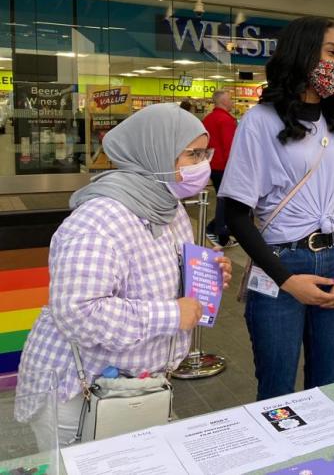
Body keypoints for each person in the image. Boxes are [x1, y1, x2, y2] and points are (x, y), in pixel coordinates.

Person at [14, 103, 233, 447]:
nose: (203, 165)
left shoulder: (167, 207)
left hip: (135, 387)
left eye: (206, 153)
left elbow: (161, 275)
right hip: (79, 393)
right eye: (193, 154)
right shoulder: (99, 220)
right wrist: (172, 314)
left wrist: (205, 274)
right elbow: (78, 312)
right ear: (154, 151)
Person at [221, 16, 334, 401]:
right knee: (277, 391)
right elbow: (236, 213)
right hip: (280, 265)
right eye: (330, 53)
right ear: (302, 54)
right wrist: (286, 279)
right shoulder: (259, 122)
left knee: (328, 386)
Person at [202, 90, 238, 247]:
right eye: (230, 99)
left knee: (223, 199)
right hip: (225, 167)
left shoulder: (208, 119)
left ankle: (218, 233)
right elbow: (230, 147)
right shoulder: (226, 120)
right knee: (227, 201)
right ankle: (217, 232)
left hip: (212, 165)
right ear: (223, 101)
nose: (232, 102)